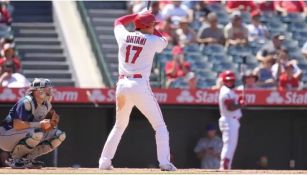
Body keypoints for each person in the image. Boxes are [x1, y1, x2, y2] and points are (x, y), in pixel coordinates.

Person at [98, 11, 177, 171]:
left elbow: (118, 20)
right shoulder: (152, 40)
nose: (155, 26)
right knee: (160, 126)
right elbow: (164, 41)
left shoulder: (123, 35)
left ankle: (104, 162)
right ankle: (164, 162)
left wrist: (136, 16)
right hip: (139, 84)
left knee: (119, 126)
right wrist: (150, 25)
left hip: (122, 84)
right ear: (147, 26)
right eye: (153, 24)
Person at [0, 78, 66, 169]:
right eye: (47, 89)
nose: (50, 91)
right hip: (5, 136)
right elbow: (17, 124)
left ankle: (27, 158)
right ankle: (16, 159)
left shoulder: (47, 105)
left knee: (59, 135)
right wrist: (40, 124)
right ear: (38, 91)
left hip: (22, 134)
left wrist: (50, 124)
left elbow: (44, 125)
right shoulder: (26, 102)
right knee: (37, 132)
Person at [218, 70, 244, 170]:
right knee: (229, 145)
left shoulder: (229, 91)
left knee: (231, 145)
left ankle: (226, 167)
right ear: (224, 81)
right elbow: (230, 107)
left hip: (232, 120)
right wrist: (240, 104)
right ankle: (224, 167)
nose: (230, 82)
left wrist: (239, 101)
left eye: (231, 80)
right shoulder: (225, 92)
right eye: (228, 80)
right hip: (228, 120)